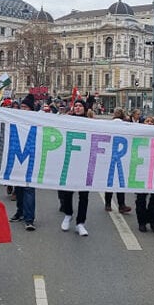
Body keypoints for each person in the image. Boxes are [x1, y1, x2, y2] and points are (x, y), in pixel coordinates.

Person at [58, 99, 91, 236]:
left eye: (80, 106)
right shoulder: (68, 121)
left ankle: (80, 223)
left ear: (85, 108)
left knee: (84, 195)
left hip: (85, 162)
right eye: (75, 106)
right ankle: (68, 214)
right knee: (67, 192)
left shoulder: (91, 123)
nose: (77, 108)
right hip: (70, 161)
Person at [10, 95, 38, 230]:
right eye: (21, 107)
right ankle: (20, 212)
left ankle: (29, 218)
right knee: (19, 188)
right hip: (18, 158)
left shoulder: (37, 121)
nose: (22, 109)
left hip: (31, 159)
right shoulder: (15, 120)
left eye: (25, 107)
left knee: (28, 189)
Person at [104, 107, 133, 214]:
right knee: (120, 182)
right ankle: (121, 205)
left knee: (110, 181)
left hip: (110, 156)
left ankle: (108, 204)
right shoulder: (126, 125)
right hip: (122, 155)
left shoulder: (109, 124)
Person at [135, 117, 154, 233]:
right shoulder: (138, 136)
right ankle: (142, 222)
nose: (150, 123)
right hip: (141, 171)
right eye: (147, 121)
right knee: (141, 198)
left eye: (152, 121)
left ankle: (152, 220)